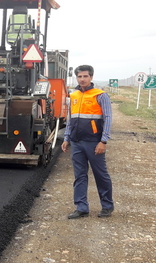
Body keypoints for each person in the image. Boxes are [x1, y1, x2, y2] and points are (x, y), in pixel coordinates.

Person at [61, 65, 114, 219]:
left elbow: (108, 119)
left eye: (85, 76)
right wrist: (66, 138)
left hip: (94, 142)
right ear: (76, 77)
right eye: (79, 76)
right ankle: (81, 207)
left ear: (91, 77)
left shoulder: (101, 95)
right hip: (77, 142)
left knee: (101, 175)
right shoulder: (74, 95)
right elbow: (71, 119)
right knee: (80, 176)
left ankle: (107, 206)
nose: (82, 79)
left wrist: (103, 141)